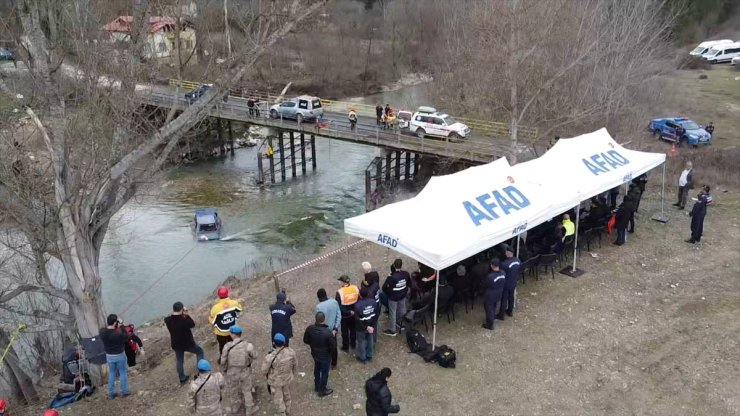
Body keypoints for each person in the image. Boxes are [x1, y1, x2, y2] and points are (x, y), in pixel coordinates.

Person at [221, 325, 258, 416]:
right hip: (245, 372)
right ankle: (249, 409)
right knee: (247, 390)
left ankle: (235, 407)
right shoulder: (248, 345)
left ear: (233, 335)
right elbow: (255, 356)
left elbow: (222, 361)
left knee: (233, 390)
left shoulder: (227, 346)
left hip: (232, 373)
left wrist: (225, 369)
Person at [165, 301, 205, 385]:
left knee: (179, 360)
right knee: (199, 351)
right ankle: (202, 371)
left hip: (176, 344)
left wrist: (180, 313)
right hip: (188, 343)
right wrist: (186, 314)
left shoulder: (168, 320)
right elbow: (192, 324)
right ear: (181, 309)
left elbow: (169, 318)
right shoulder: (184, 319)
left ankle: (182, 378)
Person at [261, 333, 297, 415]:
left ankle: (282, 413)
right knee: (286, 394)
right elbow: (295, 365)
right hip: (287, 378)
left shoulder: (270, 357)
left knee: (278, 399)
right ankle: (288, 410)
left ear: (274, 343)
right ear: (284, 342)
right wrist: (292, 374)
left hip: (275, 381)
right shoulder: (291, 352)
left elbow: (264, 371)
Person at [303, 312, 335, 396]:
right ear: (324, 320)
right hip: (325, 356)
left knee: (317, 369)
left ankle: (317, 386)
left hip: (315, 353)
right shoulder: (328, 332)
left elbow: (305, 340)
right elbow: (333, 347)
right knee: (324, 372)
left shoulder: (310, 328)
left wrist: (312, 344)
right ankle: (322, 389)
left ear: (315, 319)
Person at [100, 314, 129, 399]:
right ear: (115, 323)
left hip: (109, 356)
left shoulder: (102, 332)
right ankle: (124, 391)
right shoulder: (118, 334)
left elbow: (106, 329)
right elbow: (126, 336)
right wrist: (122, 325)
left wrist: (115, 323)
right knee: (122, 372)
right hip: (120, 355)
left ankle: (111, 393)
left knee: (112, 373)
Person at [209, 286, 243, 358]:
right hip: (232, 330)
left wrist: (210, 318)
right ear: (227, 294)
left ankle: (223, 358)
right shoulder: (234, 303)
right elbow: (240, 309)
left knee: (222, 346)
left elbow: (212, 321)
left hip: (220, 332)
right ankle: (233, 357)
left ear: (218, 295)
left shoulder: (215, 308)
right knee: (232, 344)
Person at [382, 259, 409, 336]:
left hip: (393, 297)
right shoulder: (406, 274)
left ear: (394, 265)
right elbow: (408, 283)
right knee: (402, 308)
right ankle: (402, 323)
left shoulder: (392, 277)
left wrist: (388, 278)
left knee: (392, 312)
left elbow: (384, 288)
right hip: (402, 294)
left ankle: (392, 330)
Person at [315, 288, 341, 367]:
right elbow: (339, 316)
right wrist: (335, 328)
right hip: (333, 331)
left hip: (323, 331)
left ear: (319, 298)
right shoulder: (334, 302)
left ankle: (326, 361)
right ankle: (334, 363)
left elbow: (318, 320)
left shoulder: (318, 307)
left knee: (324, 347)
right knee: (334, 347)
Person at [354, 287, 378, 364]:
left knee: (361, 342)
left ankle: (363, 358)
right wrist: (372, 326)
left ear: (359, 295)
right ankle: (369, 355)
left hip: (362, 327)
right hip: (371, 325)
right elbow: (376, 315)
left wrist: (366, 327)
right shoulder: (373, 302)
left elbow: (357, 320)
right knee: (370, 340)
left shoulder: (357, 305)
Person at [335, 275, 359, 351]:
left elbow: (338, 306)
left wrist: (348, 312)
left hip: (345, 316)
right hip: (354, 313)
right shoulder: (355, 288)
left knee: (344, 332)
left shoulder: (340, 292)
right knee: (353, 330)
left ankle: (345, 346)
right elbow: (359, 301)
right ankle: (353, 344)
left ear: (343, 282)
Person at [497, 245, 521, 320]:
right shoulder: (518, 261)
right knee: (511, 297)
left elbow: (500, 273)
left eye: (506, 252)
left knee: (504, 299)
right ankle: (510, 311)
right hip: (513, 282)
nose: (505, 254)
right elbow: (520, 269)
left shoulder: (504, 264)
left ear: (508, 253)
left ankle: (501, 315)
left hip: (506, 284)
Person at [482, 259, 505, 330]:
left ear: (492, 266)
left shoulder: (490, 277)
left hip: (490, 295)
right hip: (499, 293)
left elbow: (485, 285)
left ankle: (490, 324)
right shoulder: (503, 273)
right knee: (494, 306)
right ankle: (492, 317)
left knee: (489, 308)